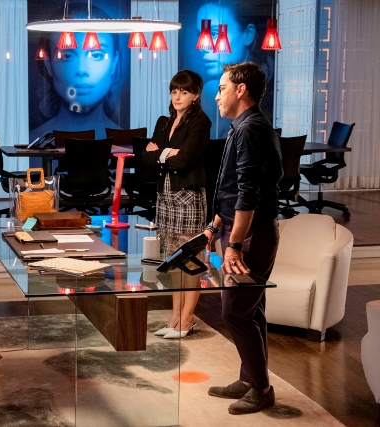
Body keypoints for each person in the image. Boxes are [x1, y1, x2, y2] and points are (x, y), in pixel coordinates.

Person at [203, 62, 282, 415]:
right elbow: (233, 189)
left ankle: (262, 389)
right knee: (252, 309)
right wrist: (215, 225)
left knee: (235, 311)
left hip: (250, 234)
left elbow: (250, 194)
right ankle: (250, 378)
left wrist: (234, 244)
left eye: (222, 88)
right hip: (237, 228)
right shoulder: (244, 127)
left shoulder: (251, 130)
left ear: (241, 90)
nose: (217, 95)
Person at [141, 70, 211, 339]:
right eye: (174, 91)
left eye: (184, 91)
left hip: (188, 196)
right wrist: (168, 153)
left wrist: (159, 153)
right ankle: (174, 316)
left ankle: (188, 317)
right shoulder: (164, 122)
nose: (178, 96)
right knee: (172, 258)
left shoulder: (200, 122)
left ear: (195, 95)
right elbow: (145, 159)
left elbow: (185, 161)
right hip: (165, 197)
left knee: (189, 258)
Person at [29, 3, 122, 141]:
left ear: (114, 64)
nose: (81, 70)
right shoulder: (32, 141)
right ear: (48, 64)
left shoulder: (127, 142)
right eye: (67, 56)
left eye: (96, 55)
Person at [184, 1, 275, 139]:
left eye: (215, 33)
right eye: (202, 36)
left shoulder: (211, 90)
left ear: (248, 34)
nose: (204, 46)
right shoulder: (268, 74)